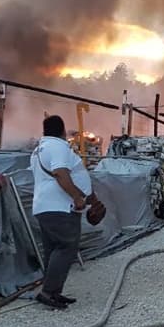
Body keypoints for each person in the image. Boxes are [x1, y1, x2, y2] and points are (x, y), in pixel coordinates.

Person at [30, 114, 96, 310]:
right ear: (62, 130)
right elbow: (60, 173)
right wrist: (77, 196)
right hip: (59, 207)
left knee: (53, 249)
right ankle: (49, 292)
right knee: (67, 246)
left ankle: (53, 292)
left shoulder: (38, 149)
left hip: (43, 206)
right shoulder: (57, 146)